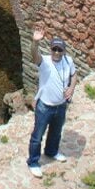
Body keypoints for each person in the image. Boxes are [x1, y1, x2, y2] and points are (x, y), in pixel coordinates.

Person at [27, 30, 77, 178]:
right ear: (50, 50)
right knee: (37, 136)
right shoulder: (45, 62)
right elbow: (34, 55)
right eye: (54, 49)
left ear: (63, 51)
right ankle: (33, 162)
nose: (56, 52)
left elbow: (74, 75)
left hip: (61, 106)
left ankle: (51, 151)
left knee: (56, 132)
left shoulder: (68, 61)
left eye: (59, 49)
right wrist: (35, 42)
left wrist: (72, 88)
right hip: (44, 107)